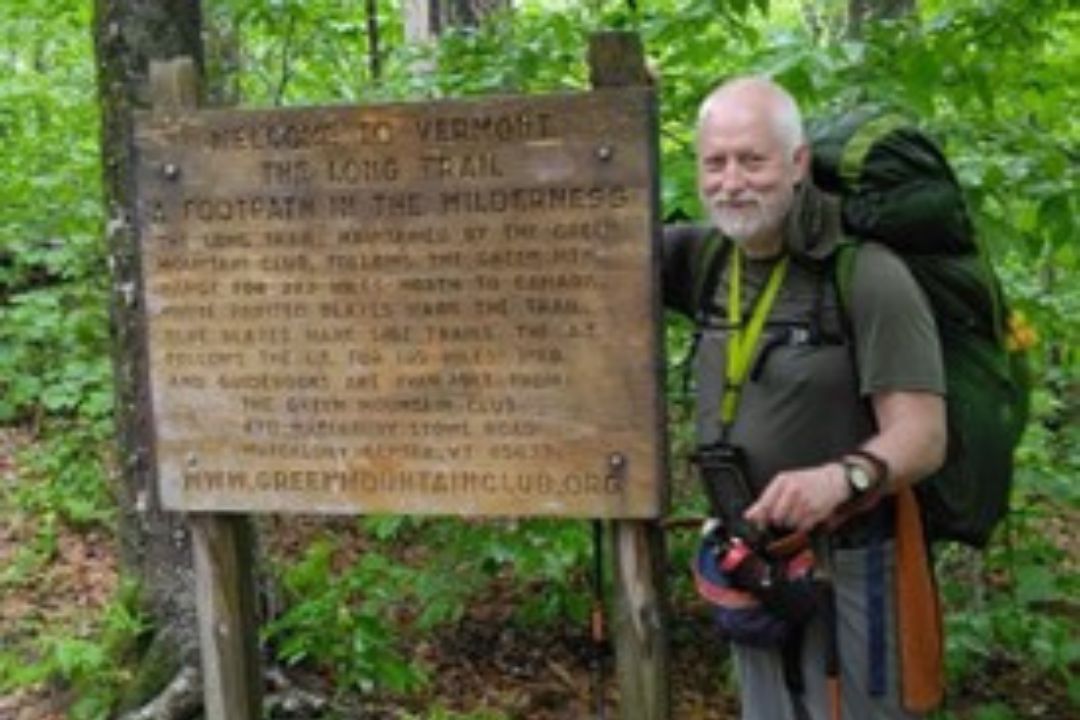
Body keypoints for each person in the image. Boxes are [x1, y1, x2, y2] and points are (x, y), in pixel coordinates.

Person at [662, 76, 948, 719]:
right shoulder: (704, 261)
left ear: (797, 164)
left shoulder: (864, 274)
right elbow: (587, 245)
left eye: (752, 160)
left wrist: (842, 477)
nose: (731, 182)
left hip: (852, 561)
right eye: (715, 162)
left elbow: (924, 435)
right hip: (751, 559)